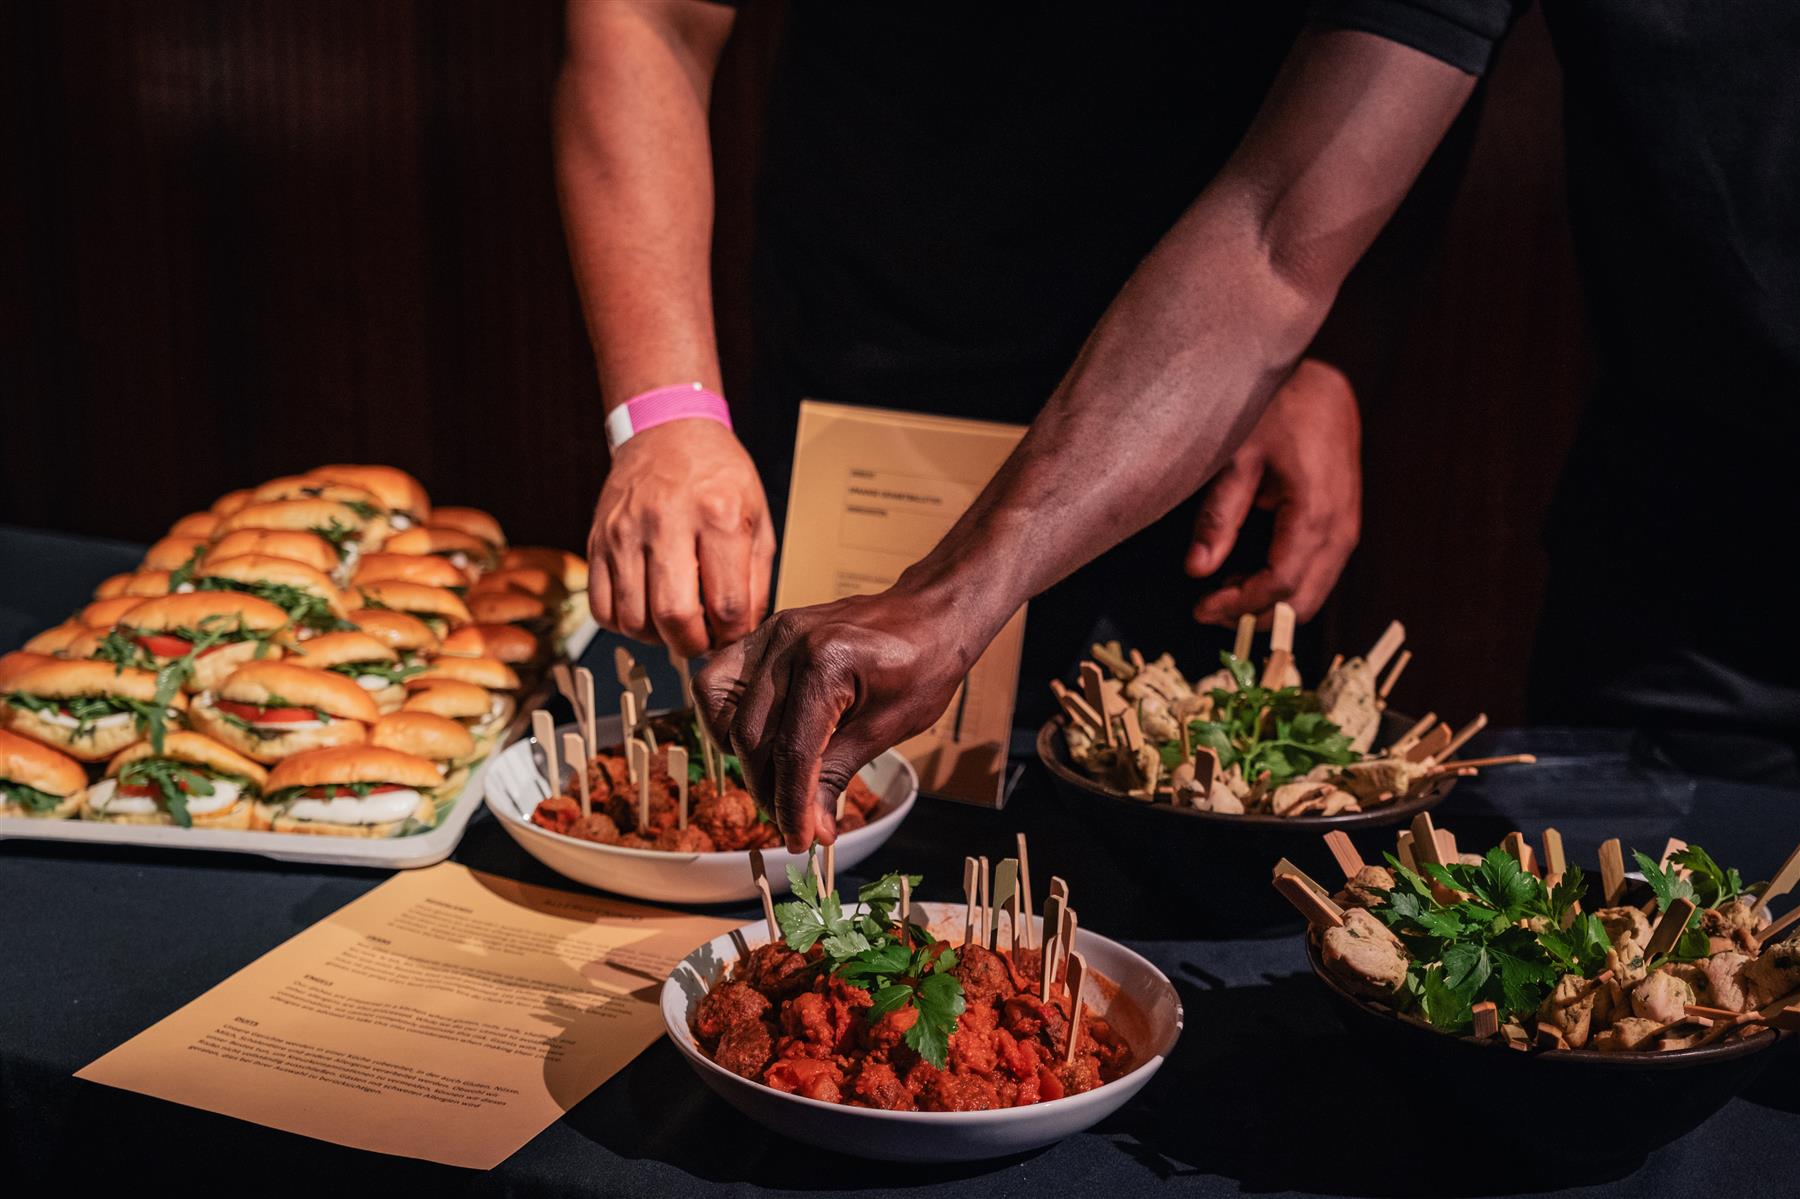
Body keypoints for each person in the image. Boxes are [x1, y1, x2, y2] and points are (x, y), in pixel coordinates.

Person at [583, 2, 1800, 851]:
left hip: (1208, 449)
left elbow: (1335, 177)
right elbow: (1278, 229)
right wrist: (672, 412)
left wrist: (1327, 354)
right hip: (892, 399)